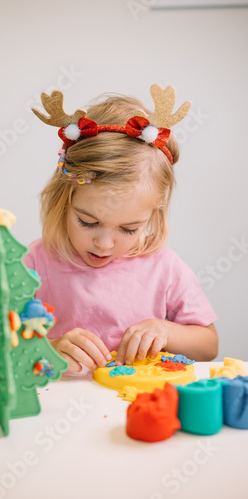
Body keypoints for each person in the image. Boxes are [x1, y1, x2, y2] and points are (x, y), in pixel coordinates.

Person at [24, 86, 218, 373]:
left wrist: (165, 330)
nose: (104, 244)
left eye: (128, 229)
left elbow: (209, 346)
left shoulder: (164, 268)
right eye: (88, 222)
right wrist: (47, 348)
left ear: (154, 214)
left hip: (137, 408)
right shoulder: (35, 263)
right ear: (63, 201)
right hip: (60, 409)